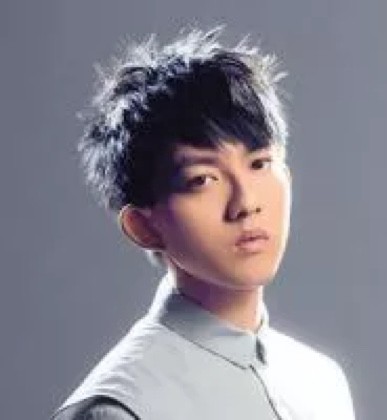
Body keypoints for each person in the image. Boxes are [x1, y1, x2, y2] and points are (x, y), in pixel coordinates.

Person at [52, 27, 355, 420]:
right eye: (202, 180)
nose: (246, 203)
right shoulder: (119, 408)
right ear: (143, 226)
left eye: (259, 164)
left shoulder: (322, 381)